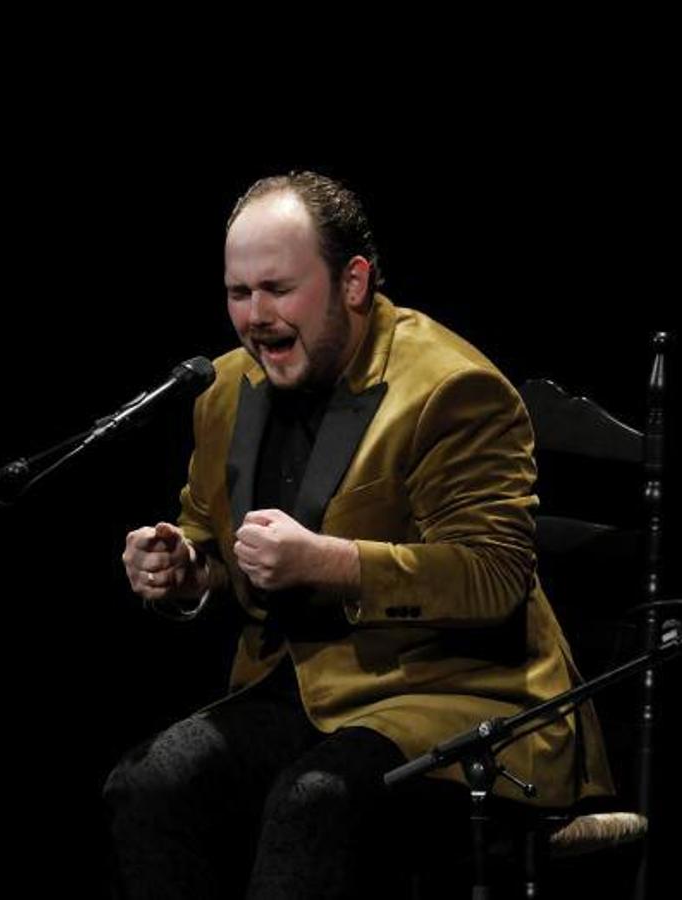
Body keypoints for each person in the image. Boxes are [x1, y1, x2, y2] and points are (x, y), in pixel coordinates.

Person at [102, 171, 611, 899]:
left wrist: (335, 563)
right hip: (304, 695)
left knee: (314, 800)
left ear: (353, 281)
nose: (255, 317)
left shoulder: (449, 388)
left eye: (278, 289)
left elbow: (494, 578)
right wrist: (184, 573)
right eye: (237, 293)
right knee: (150, 783)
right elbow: (206, 537)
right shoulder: (222, 390)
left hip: (459, 696)